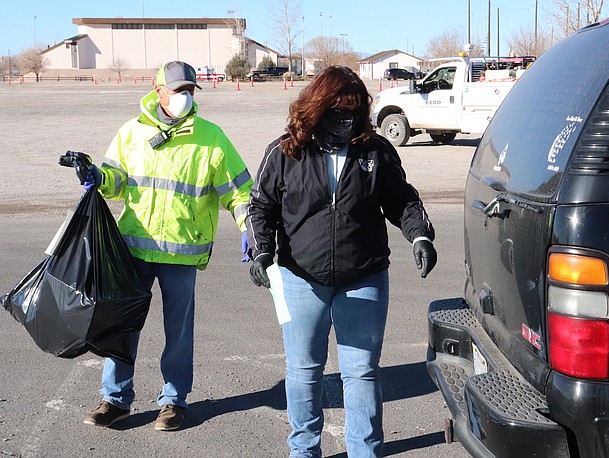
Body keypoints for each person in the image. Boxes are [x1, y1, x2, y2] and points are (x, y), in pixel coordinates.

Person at [245, 66, 437, 457]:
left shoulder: (375, 150)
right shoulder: (285, 151)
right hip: (300, 278)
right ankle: (303, 449)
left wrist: (419, 233)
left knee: (362, 372)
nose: (344, 119)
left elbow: (402, 199)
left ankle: (364, 450)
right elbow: (260, 206)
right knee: (302, 371)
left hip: (364, 276)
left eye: (353, 109)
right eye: (336, 109)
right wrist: (261, 249)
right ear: (316, 106)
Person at [71, 61, 253, 431]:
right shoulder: (130, 134)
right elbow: (116, 181)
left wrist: (251, 226)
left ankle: (173, 401)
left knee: (179, 333)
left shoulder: (211, 138)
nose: (185, 97)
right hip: (134, 251)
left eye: (189, 90)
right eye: (177, 90)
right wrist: (96, 175)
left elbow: (239, 192)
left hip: (181, 255)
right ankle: (115, 399)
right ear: (159, 93)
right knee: (121, 329)